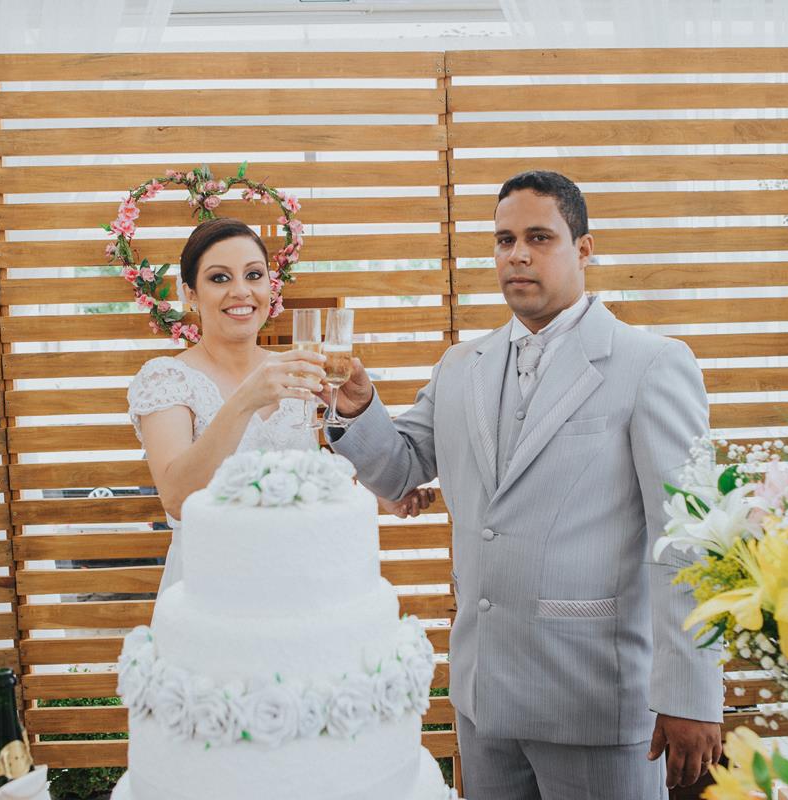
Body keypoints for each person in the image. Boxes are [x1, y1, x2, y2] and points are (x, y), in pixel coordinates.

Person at [322, 172, 724, 798]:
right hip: (483, 699)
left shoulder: (651, 364)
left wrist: (691, 695)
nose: (517, 255)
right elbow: (400, 470)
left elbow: (687, 539)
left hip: (595, 699)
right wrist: (356, 406)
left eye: (539, 237)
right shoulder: (460, 366)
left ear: (583, 249)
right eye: (504, 239)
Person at [127, 217, 432, 595]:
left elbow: (306, 472)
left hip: (299, 574)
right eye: (220, 278)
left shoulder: (293, 367)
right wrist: (246, 399)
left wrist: (382, 491)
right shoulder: (166, 378)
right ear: (190, 293)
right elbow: (176, 498)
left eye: (254, 275)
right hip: (214, 581)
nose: (241, 291)